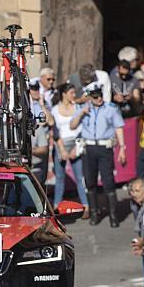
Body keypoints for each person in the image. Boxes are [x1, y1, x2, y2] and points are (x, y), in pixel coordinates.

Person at [70, 82, 126, 227]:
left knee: (108, 181)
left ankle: (113, 215)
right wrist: (82, 113)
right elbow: (72, 125)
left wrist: (122, 148)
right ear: (89, 97)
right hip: (88, 147)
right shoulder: (83, 108)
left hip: (104, 147)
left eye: (100, 96)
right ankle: (94, 213)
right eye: (95, 97)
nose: (99, 99)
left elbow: (119, 127)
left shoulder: (111, 109)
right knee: (90, 181)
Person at [50, 83, 88, 211]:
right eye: (71, 93)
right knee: (60, 178)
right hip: (61, 144)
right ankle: (57, 207)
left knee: (79, 177)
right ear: (64, 94)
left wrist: (76, 149)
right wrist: (61, 149)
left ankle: (85, 206)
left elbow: (82, 129)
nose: (74, 95)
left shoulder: (77, 107)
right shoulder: (55, 109)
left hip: (75, 143)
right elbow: (55, 130)